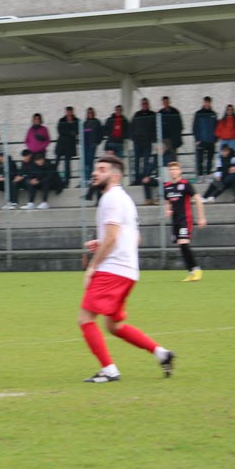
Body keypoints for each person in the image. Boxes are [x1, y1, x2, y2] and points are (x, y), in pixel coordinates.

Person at [78, 155, 176, 383]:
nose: (95, 173)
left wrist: (93, 266)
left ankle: (109, 370)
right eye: (96, 169)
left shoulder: (110, 198)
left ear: (115, 176)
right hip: (128, 271)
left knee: (85, 318)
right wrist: (101, 242)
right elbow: (134, 238)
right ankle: (161, 353)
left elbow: (113, 237)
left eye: (101, 169)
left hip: (112, 269)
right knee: (114, 325)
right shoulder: (125, 199)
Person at [164, 161, 207, 282]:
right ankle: (191, 272)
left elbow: (197, 199)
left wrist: (201, 217)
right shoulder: (167, 186)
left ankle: (197, 270)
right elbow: (168, 201)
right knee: (181, 246)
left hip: (185, 219)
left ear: (180, 171)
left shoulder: (185, 184)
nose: (173, 171)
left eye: (175, 169)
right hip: (175, 220)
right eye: (171, 170)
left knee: (184, 243)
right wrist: (168, 209)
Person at [130, 98, 156, 185]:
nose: (144, 105)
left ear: (148, 104)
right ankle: (137, 179)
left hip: (147, 142)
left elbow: (155, 128)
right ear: (141, 105)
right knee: (136, 161)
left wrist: (152, 139)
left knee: (146, 161)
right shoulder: (137, 114)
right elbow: (131, 127)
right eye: (143, 104)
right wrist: (134, 138)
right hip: (137, 142)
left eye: (146, 103)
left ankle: (145, 178)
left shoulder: (152, 114)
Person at [192, 96, 218, 180]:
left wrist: (215, 139)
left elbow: (216, 127)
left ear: (210, 103)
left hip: (211, 140)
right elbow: (195, 127)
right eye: (206, 102)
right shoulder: (198, 113)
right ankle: (200, 175)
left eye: (208, 102)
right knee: (200, 159)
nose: (207, 104)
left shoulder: (213, 114)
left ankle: (208, 174)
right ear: (204, 103)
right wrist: (197, 139)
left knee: (210, 158)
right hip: (201, 140)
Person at [55, 106, 78, 188]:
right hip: (61, 144)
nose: (69, 113)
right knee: (56, 163)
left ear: (72, 112)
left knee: (67, 164)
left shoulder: (76, 120)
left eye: (70, 111)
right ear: (66, 112)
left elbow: (77, 131)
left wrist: (67, 132)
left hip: (70, 146)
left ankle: (66, 182)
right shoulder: (62, 120)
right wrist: (70, 132)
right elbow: (60, 131)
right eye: (67, 111)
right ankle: (54, 179)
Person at [82, 107, 103, 183]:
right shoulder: (85, 123)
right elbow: (83, 133)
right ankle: (85, 178)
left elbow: (100, 132)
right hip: (85, 144)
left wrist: (97, 141)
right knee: (85, 162)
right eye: (88, 112)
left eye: (91, 112)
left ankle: (90, 178)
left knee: (90, 161)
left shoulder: (97, 122)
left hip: (92, 144)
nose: (90, 114)